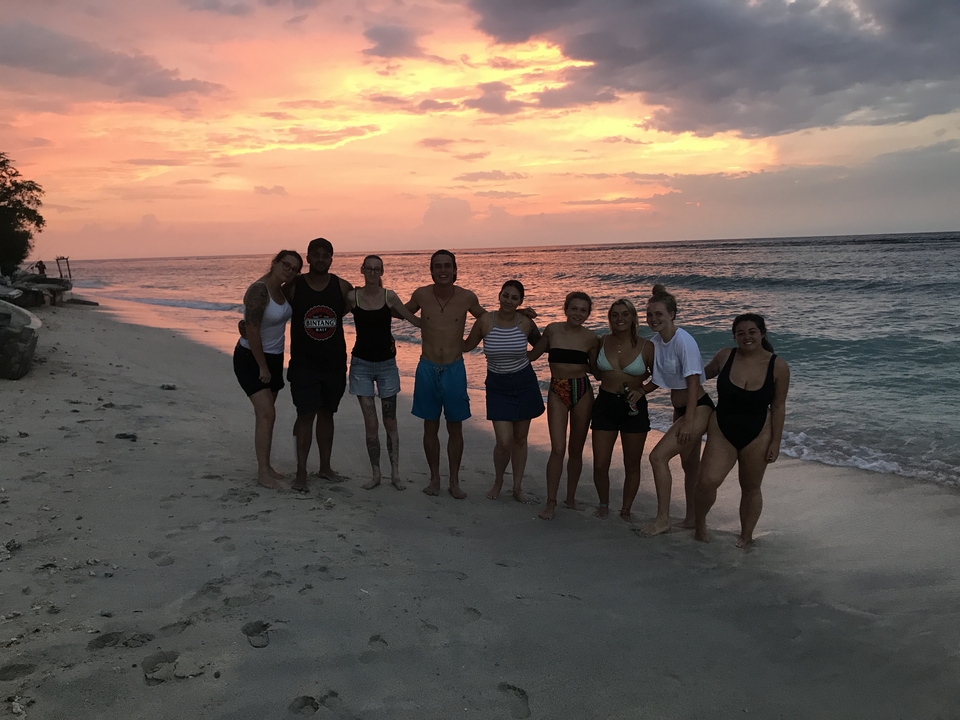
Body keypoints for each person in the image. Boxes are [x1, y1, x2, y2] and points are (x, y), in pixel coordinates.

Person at [694, 314, 790, 547]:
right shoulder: (725, 356)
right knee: (707, 481)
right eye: (740, 333)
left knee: (750, 487)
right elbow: (696, 375)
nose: (746, 337)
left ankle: (746, 536)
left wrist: (776, 442)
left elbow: (778, 406)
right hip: (722, 428)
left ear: (762, 333)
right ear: (734, 336)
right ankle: (699, 524)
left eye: (752, 332)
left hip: (758, 433)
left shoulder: (777, 365)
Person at [405, 250, 485, 499]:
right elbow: (399, 311)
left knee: (455, 428)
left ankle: (454, 481)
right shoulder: (421, 295)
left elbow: (488, 320)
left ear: (454, 270)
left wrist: (518, 313)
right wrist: (375, 298)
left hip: (454, 368)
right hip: (427, 367)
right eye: (437, 266)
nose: (442, 270)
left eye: (447, 266)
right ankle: (434, 479)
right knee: (430, 426)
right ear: (431, 270)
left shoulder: (467, 297)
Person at [640, 284, 715, 537]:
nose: (653, 319)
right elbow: (659, 378)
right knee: (690, 466)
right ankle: (692, 520)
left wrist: (688, 421)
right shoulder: (656, 342)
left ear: (672, 314)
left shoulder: (684, 340)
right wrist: (641, 391)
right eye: (649, 315)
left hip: (698, 409)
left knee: (658, 457)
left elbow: (694, 381)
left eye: (658, 314)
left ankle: (663, 519)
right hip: (681, 410)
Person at [345, 255, 421, 491]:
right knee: (371, 423)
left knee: (390, 422)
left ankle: (395, 474)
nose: (373, 272)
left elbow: (415, 321)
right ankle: (376, 474)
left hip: (387, 365)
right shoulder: (353, 297)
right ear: (362, 270)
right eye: (369, 268)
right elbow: (330, 317)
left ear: (382, 271)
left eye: (377, 269)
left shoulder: (390, 296)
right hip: (361, 365)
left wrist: (445, 319)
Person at [463, 280, 543, 503]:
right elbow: (467, 345)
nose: (508, 300)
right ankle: (498, 481)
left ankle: (517, 487)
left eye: (514, 298)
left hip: (524, 383)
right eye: (505, 295)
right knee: (504, 441)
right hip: (497, 385)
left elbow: (541, 345)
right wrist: (441, 335)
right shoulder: (486, 321)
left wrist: (530, 358)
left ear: (520, 301)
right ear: (499, 295)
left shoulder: (525, 322)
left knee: (520, 438)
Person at [232, 250, 303, 489]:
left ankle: (267, 465)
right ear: (274, 263)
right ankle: (263, 472)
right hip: (251, 358)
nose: (289, 270)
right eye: (286, 264)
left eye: (294, 269)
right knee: (266, 414)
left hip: (273, 358)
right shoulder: (259, 289)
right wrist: (262, 365)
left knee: (267, 416)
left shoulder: (281, 291)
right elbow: (251, 329)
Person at [287, 237, 353, 492]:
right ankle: (301, 472)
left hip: (334, 363)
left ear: (332, 259)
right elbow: (273, 302)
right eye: (317, 255)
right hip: (304, 364)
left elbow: (356, 306)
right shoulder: (294, 286)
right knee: (305, 415)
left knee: (327, 413)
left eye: (326, 255)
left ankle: (325, 467)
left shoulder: (341, 286)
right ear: (308, 258)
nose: (321, 259)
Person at [527, 291, 598, 520]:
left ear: (588, 313)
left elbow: (596, 370)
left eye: (583, 310)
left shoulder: (591, 338)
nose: (578, 313)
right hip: (558, 390)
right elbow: (532, 356)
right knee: (558, 449)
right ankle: (550, 502)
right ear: (566, 309)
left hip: (582, 390)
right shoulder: (552, 330)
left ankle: (571, 497)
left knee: (575, 450)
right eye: (574, 308)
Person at [590, 299, 654, 519]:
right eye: (615, 315)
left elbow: (662, 375)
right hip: (605, 403)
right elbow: (595, 370)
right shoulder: (602, 341)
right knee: (599, 463)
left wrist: (643, 389)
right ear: (610, 318)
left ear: (633, 317)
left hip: (633, 406)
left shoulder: (647, 346)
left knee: (632, 464)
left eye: (625, 314)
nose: (620, 319)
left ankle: (626, 509)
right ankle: (603, 504)